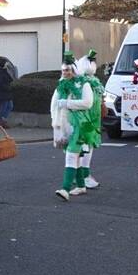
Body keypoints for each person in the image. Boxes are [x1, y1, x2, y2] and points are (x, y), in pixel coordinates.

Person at [51, 51, 96, 200]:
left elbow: (88, 103)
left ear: (74, 70)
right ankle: (81, 186)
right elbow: (54, 105)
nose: (65, 73)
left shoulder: (84, 84)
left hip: (80, 125)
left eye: (68, 70)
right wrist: (56, 125)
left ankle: (65, 188)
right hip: (64, 125)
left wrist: (68, 103)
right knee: (74, 156)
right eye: (63, 70)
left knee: (71, 155)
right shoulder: (61, 85)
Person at [75, 49, 104, 189]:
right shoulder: (82, 82)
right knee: (85, 146)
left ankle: (81, 175)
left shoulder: (93, 81)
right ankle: (84, 176)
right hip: (85, 119)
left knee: (87, 146)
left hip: (93, 118)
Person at [0, 57, 14, 128]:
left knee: (10, 106)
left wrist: (7, 70)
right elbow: (0, 82)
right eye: (5, 63)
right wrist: (6, 88)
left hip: (7, 91)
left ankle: (4, 119)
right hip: (2, 91)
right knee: (4, 106)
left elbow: (10, 79)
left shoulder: (4, 70)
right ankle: (2, 120)